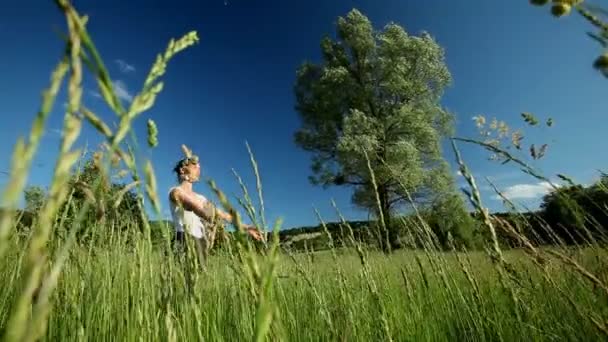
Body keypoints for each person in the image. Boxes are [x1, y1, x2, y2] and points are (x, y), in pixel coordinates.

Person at [168, 154, 262, 271]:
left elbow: (221, 214)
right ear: (182, 170)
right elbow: (189, 203)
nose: (198, 168)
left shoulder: (201, 198)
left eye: (199, 166)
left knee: (196, 284)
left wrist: (245, 227)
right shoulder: (175, 191)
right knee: (180, 279)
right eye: (194, 166)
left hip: (200, 242)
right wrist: (203, 212)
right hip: (183, 239)